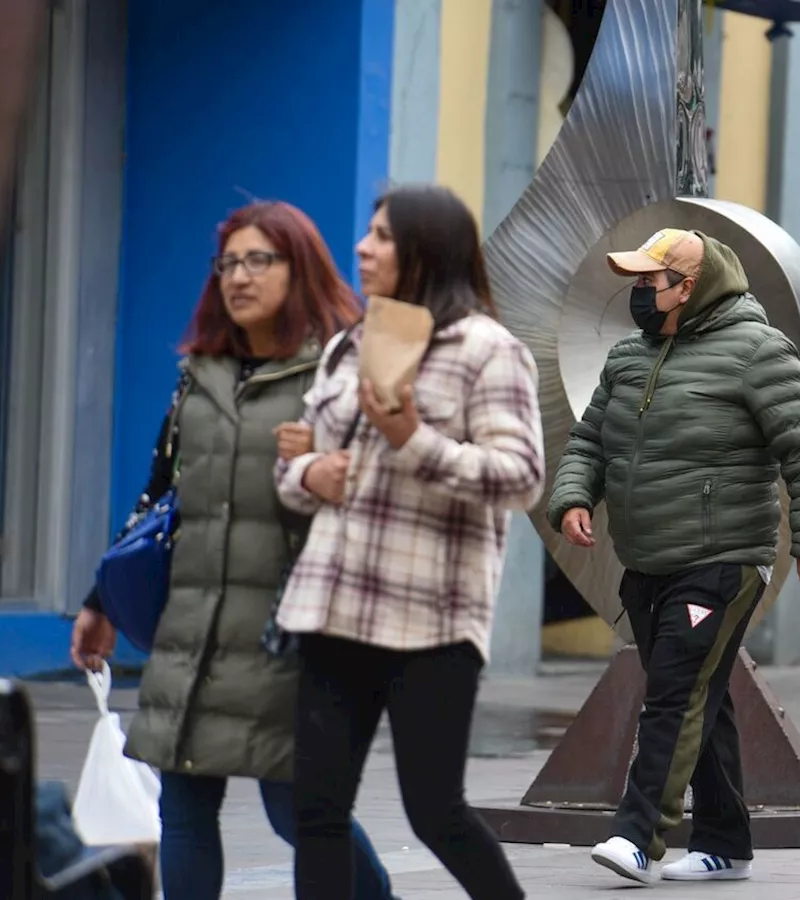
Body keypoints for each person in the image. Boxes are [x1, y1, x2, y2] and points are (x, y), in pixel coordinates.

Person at [68, 202, 394, 900]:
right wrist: (102, 601)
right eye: (228, 264)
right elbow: (160, 495)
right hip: (192, 629)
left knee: (298, 812)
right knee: (182, 809)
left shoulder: (339, 367)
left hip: (290, 634)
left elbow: (389, 492)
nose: (238, 278)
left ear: (298, 266)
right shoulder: (202, 373)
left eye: (258, 261)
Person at [546, 228, 800, 885]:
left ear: (690, 287)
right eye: (638, 283)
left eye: (651, 283)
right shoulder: (628, 357)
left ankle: (637, 834)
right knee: (700, 695)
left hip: (723, 558)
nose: (640, 295)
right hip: (646, 560)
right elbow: (591, 439)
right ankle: (725, 841)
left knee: (675, 693)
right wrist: (572, 497)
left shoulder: (759, 352)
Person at [274, 184, 543, 900]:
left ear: (428, 249)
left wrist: (413, 440)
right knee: (317, 811)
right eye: (367, 233)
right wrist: (308, 471)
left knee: (435, 812)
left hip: (432, 622)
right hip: (332, 608)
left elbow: (522, 478)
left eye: (384, 236)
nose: (363, 248)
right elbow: (298, 469)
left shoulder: (490, 351)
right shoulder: (347, 345)